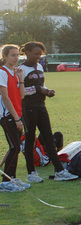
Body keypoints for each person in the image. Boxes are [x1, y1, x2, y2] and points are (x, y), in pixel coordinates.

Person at [19, 41, 78, 182]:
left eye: (40, 54)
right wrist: (39, 90)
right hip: (28, 108)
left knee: (49, 138)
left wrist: (47, 90)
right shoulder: (21, 69)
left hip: (41, 105)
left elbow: (42, 85)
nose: (38, 56)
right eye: (35, 54)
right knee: (30, 139)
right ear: (27, 53)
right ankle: (31, 173)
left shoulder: (39, 66)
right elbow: (19, 92)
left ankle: (59, 171)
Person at [0, 44, 30, 192]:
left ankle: (12, 177)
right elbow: (5, 98)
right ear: (4, 56)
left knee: (16, 147)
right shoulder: (2, 72)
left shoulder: (14, 73)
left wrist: (20, 78)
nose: (16, 57)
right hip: (8, 115)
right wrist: (16, 118)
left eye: (17, 55)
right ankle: (6, 181)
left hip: (17, 113)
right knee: (15, 147)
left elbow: (21, 95)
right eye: (13, 55)